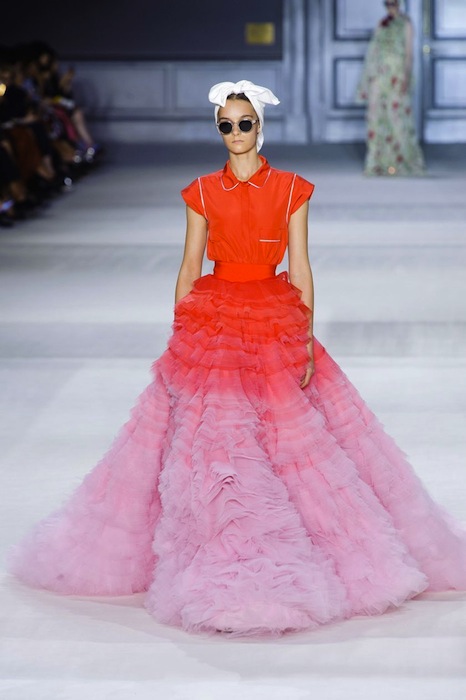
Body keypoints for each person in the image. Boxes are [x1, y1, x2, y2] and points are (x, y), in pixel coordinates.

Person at [9, 80, 466, 637]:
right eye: (225, 124)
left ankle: (304, 551)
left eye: (244, 122)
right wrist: (181, 334)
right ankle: (219, 549)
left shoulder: (292, 188)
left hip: (274, 315)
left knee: (287, 434)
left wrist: (304, 337)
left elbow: (301, 267)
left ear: (260, 125)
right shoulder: (202, 192)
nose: (235, 132)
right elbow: (189, 267)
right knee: (216, 441)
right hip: (215, 318)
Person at [356, 0, 426, 176]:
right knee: (375, 117)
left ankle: (400, 161)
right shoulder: (381, 23)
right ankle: (378, 162)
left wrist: (406, 78)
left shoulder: (406, 24)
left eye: (393, 3)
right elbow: (373, 52)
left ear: (399, 4)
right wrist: (368, 80)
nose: (390, 7)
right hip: (379, 75)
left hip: (396, 74)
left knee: (397, 117)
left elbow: (409, 54)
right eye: (387, 4)